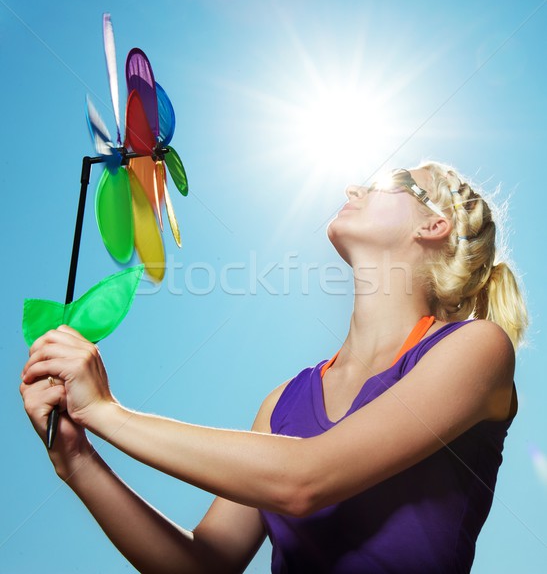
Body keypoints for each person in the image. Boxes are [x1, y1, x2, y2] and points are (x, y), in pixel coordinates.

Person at [21, 161, 528, 573]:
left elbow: (304, 480)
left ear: (433, 224)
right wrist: (78, 459)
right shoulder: (283, 403)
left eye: (387, 183)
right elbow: (204, 564)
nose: (354, 185)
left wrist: (107, 413)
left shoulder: (477, 350)